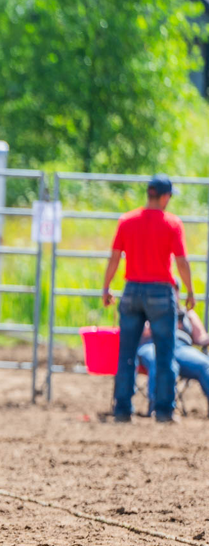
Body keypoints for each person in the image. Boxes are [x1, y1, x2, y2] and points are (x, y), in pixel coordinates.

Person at [102, 174, 196, 423]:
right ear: (164, 197)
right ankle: (164, 411)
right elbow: (182, 262)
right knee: (165, 354)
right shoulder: (172, 223)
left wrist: (106, 287)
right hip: (160, 292)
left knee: (127, 354)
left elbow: (114, 258)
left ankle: (122, 410)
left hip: (132, 290)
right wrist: (189, 291)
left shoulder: (127, 221)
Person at [137, 309, 209, 419]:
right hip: (153, 344)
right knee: (158, 361)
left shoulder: (187, 313)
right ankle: (158, 407)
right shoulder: (149, 306)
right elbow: (137, 332)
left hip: (180, 347)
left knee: (205, 364)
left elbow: (201, 338)